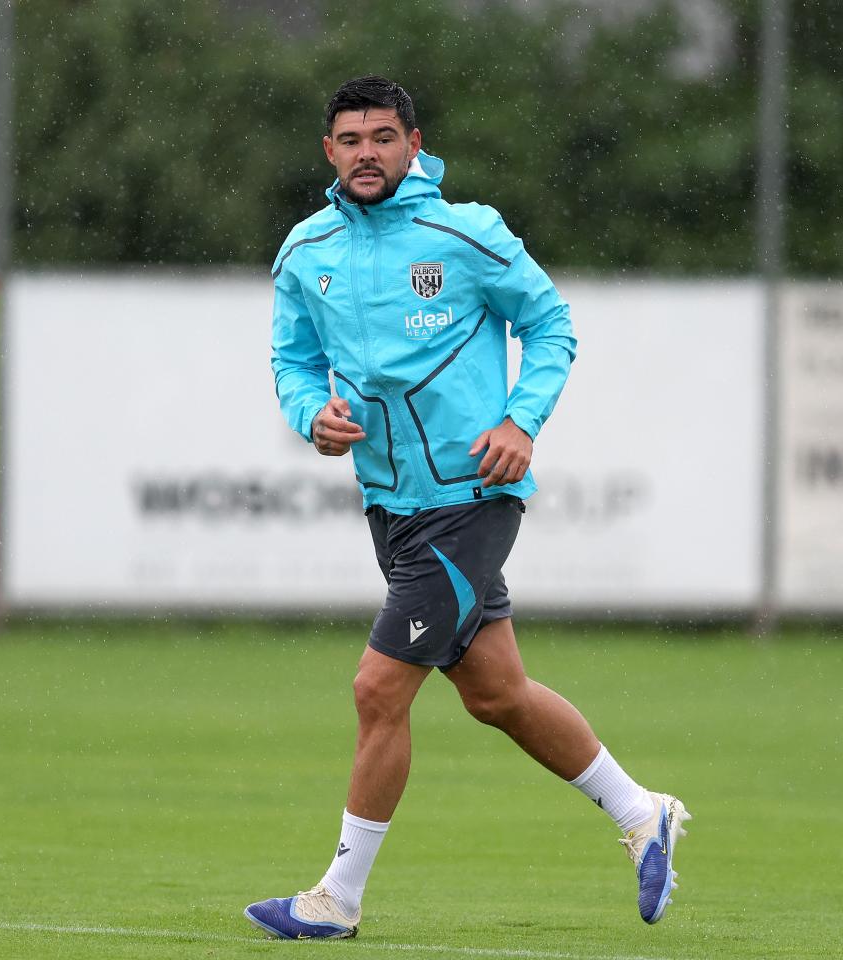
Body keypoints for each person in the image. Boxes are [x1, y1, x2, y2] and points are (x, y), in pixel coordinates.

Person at [244, 75, 690, 941]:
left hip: (473, 499)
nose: (366, 151)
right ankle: (644, 814)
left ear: (413, 142)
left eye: (382, 135)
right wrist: (313, 416)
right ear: (327, 152)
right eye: (349, 138)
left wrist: (522, 422)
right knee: (498, 694)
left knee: (379, 690)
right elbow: (293, 365)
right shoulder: (307, 251)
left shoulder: (465, 232)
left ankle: (337, 898)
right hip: (392, 507)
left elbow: (552, 324)